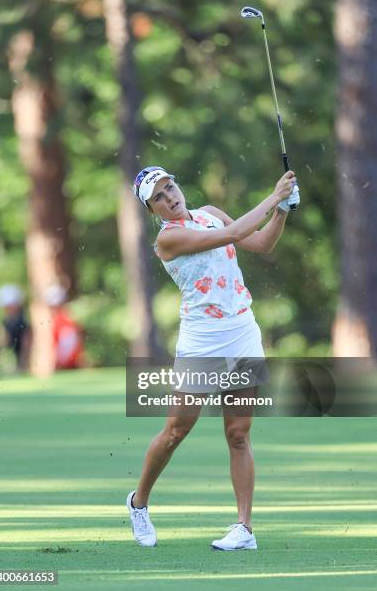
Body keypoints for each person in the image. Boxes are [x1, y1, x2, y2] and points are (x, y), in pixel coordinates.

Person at [126, 166, 300, 550]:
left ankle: (245, 529)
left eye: (169, 187)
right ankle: (139, 503)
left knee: (238, 434)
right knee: (176, 431)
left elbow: (260, 244)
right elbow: (235, 234)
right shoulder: (169, 239)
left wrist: (283, 209)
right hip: (202, 341)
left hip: (241, 333)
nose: (169, 196)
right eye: (159, 197)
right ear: (153, 210)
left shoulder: (210, 213)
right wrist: (273, 196)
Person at [44, 284, 86, 371]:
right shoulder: (66, 317)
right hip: (70, 363)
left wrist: (59, 362)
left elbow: (67, 344)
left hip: (69, 365)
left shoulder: (63, 319)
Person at [0, 284, 30, 371]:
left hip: (23, 357)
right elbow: (4, 340)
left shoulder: (22, 321)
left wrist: (23, 362)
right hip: (13, 354)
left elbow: (26, 343)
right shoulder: (6, 321)